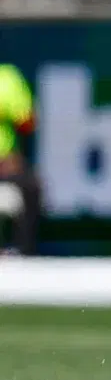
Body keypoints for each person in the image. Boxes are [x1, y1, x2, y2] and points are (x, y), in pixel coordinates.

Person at [0, 64, 39, 256]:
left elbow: (27, 121)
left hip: (4, 168)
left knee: (31, 187)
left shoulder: (6, 77)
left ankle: (22, 253)